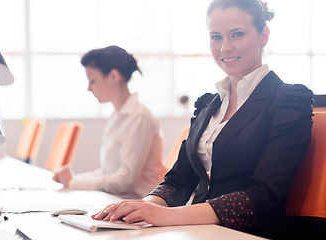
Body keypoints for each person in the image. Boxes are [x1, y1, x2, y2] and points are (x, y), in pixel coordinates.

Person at [91, 0, 314, 238]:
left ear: (263, 36)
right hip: (197, 230)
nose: (224, 47)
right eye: (216, 37)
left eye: (237, 34)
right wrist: (143, 207)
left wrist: (167, 216)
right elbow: (177, 180)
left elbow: (263, 196)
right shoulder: (209, 104)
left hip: (249, 233)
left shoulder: (288, 100)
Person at [52, 45, 167, 199]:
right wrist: (73, 179)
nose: (88, 88)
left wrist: (73, 182)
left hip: (137, 206)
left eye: (92, 80)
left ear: (113, 76)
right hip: (116, 200)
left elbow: (125, 181)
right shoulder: (117, 116)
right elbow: (108, 173)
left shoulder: (140, 117)